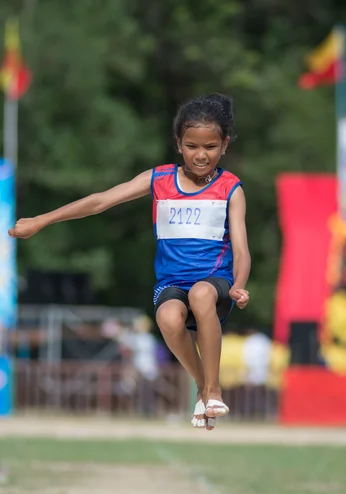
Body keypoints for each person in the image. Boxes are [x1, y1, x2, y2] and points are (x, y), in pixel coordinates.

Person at [8, 92, 251, 431]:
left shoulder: (230, 188)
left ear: (223, 145)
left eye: (210, 147)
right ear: (178, 143)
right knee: (167, 317)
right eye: (192, 146)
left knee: (200, 294)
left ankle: (213, 388)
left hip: (216, 281)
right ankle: (199, 385)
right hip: (172, 284)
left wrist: (238, 285)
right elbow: (100, 201)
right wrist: (41, 220)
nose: (201, 155)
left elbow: (241, 247)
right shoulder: (159, 180)